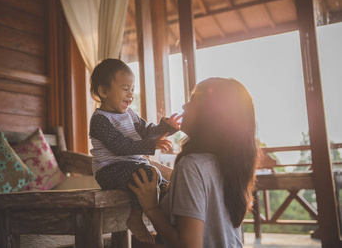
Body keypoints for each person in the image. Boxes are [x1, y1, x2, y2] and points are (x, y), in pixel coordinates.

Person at [129, 77, 260, 248]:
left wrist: (151, 208)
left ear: (211, 114)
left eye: (193, 100)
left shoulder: (191, 165)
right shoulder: (226, 163)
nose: (184, 106)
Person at [89, 58, 181, 243]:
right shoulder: (100, 119)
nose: (131, 94)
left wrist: (166, 128)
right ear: (103, 91)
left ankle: (167, 235)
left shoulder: (130, 114)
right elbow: (119, 146)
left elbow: (146, 131)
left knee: (163, 187)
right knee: (148, 173)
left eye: (132, 89)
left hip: (132, 166)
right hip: (110, 170)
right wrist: (150, 146)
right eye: (125, 89)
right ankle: (135, 217)